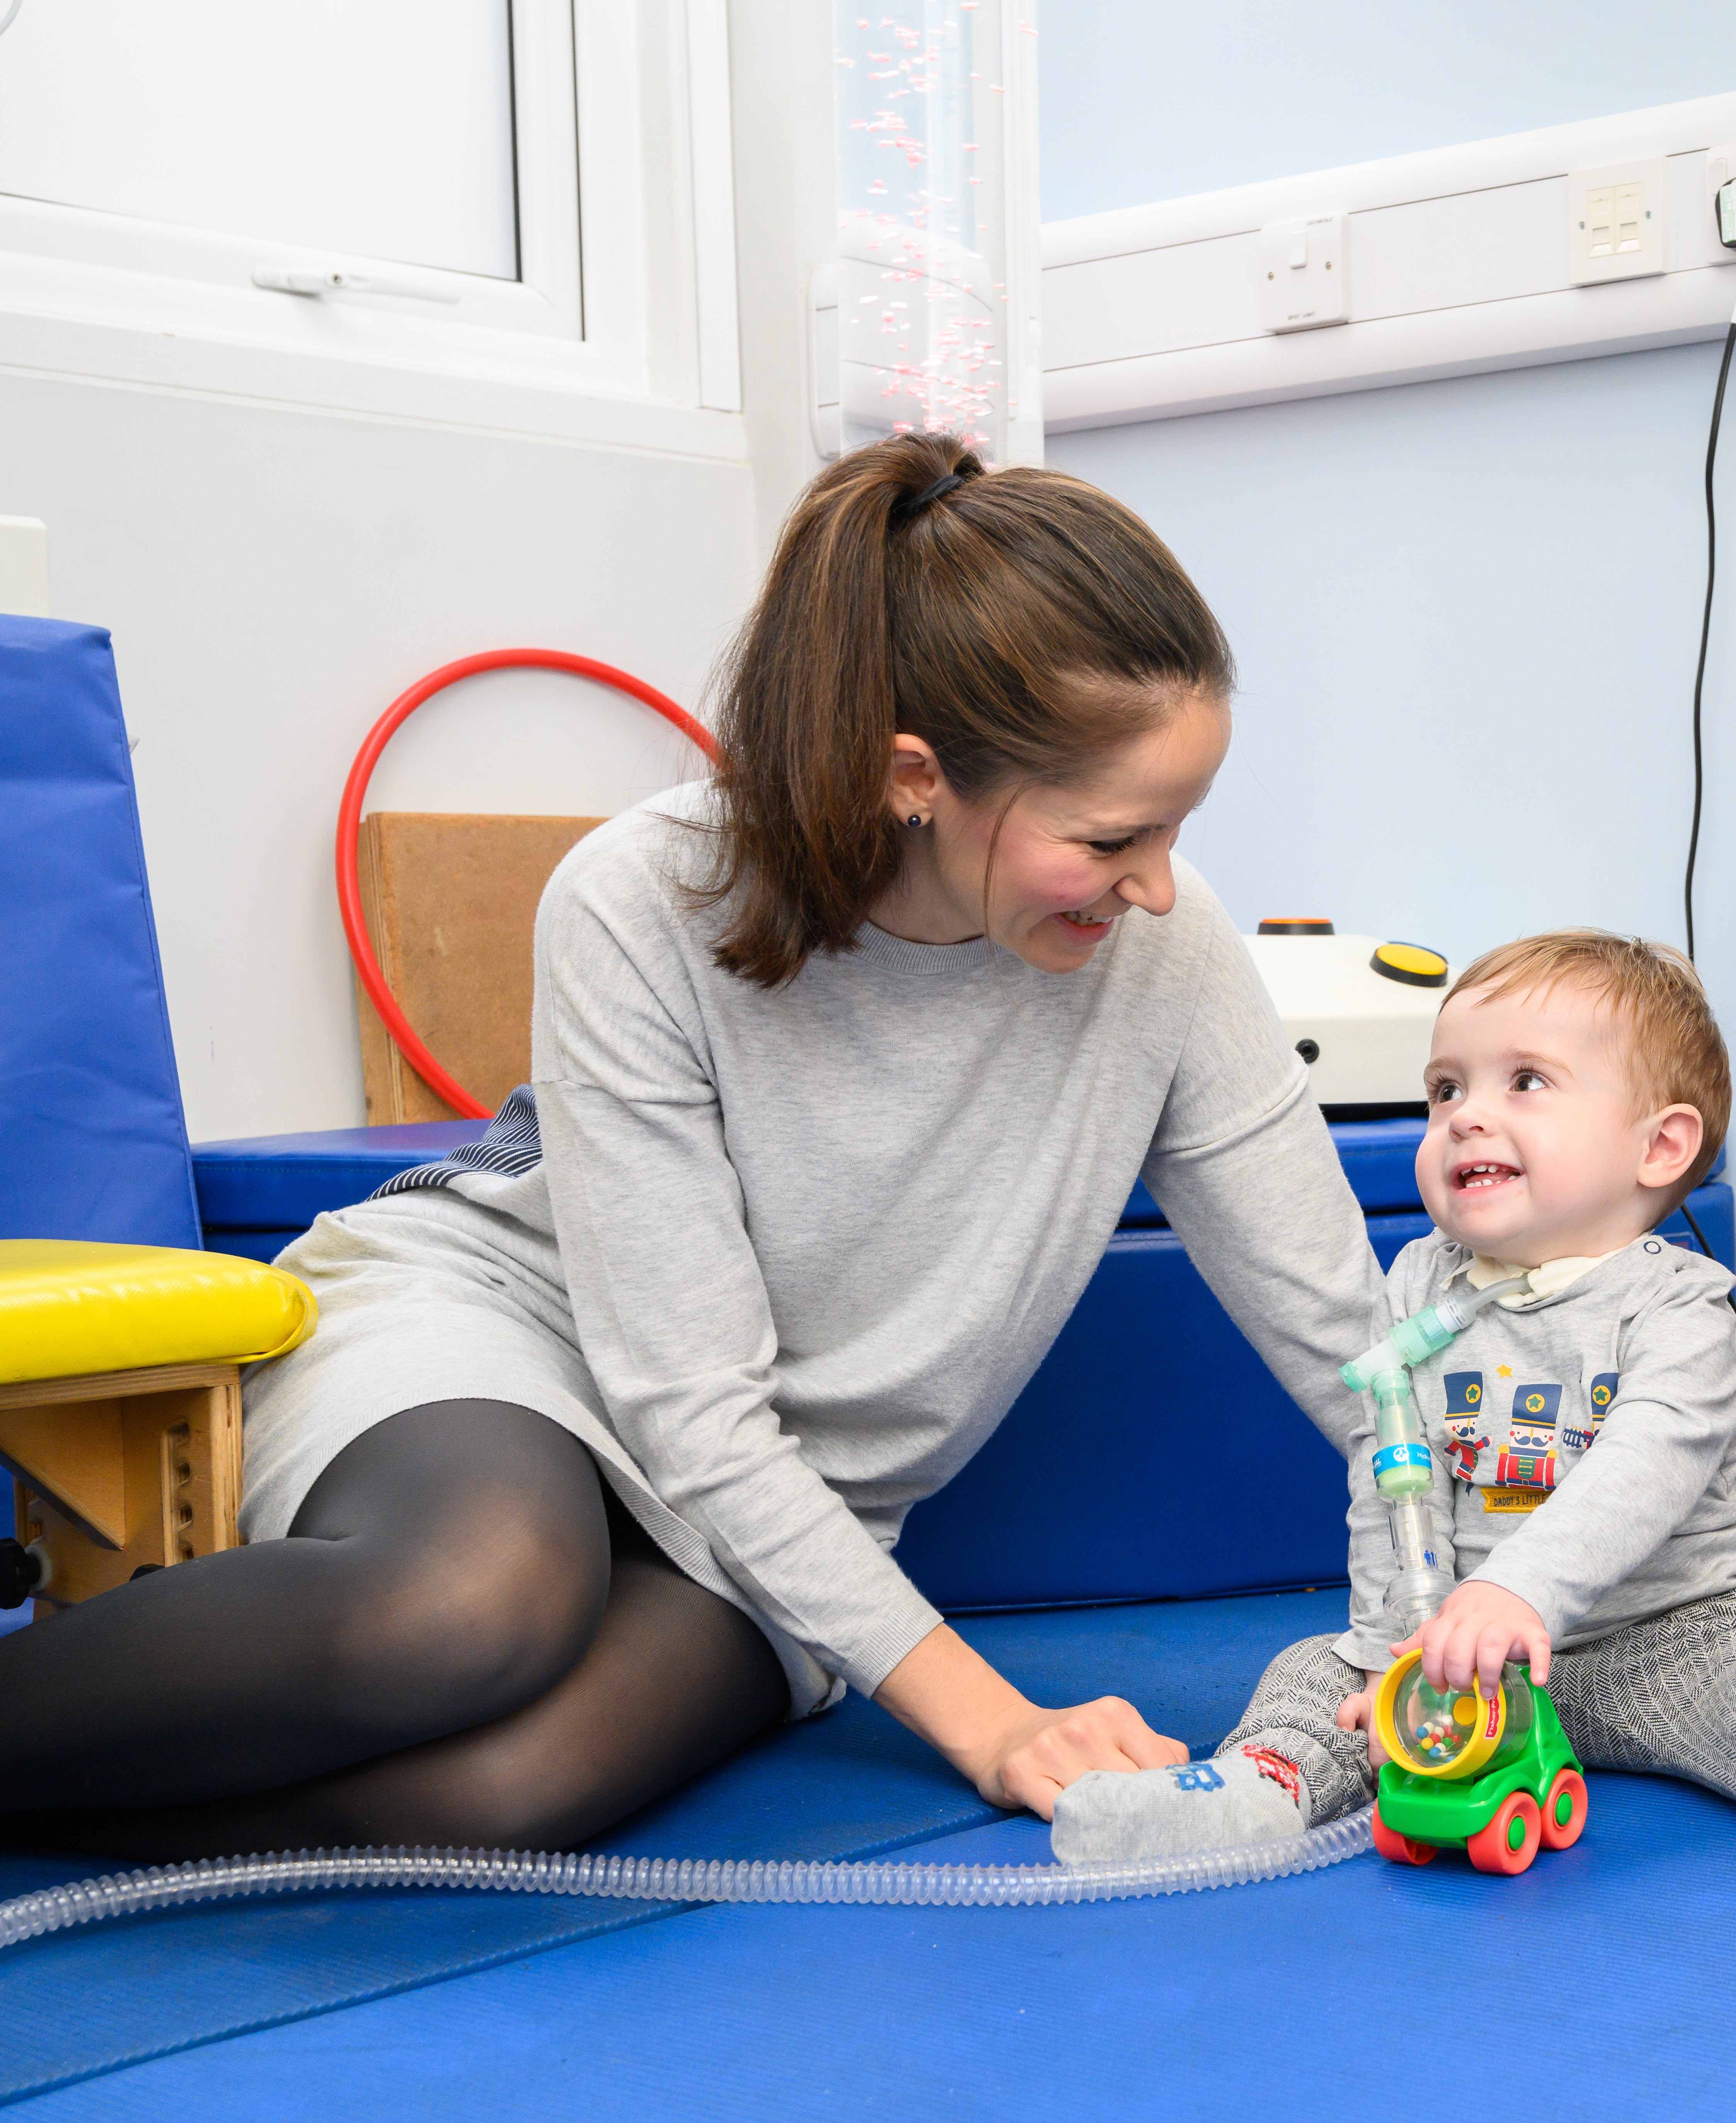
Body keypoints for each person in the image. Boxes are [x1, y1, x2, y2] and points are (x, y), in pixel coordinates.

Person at [0, 435, 1390, 1860]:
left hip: (793, 1498)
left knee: (507, 1798)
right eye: (1112, 837)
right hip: (511, 1333)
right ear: (917, 776)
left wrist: (1520, 1581)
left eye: (1178, 830)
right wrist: (991, 1717)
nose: (1158, 885)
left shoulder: (1167, 949)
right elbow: (687, 1400)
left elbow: (1351, 1333)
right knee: (474, 1602)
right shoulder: (642, 895)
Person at [1047, 932, 1736, 1911]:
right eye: (1445, 1090)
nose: (1466, 1116)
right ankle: (1251, 1790)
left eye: (1525, 1081)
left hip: (1673, 1628)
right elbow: (1390, 1469)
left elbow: (1641, 1469)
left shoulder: (1681, 1309)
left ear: (1661, 1145)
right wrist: (1400, 1639)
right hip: (1464, 1650)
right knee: (1313, 1673)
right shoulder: (1419, 1284)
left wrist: (1520, 1591)